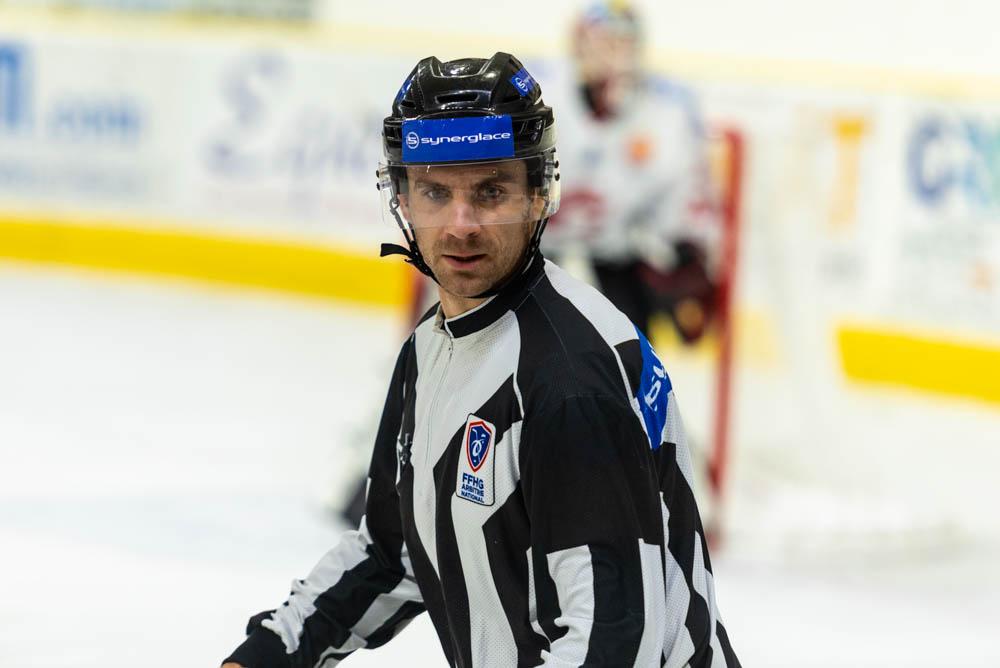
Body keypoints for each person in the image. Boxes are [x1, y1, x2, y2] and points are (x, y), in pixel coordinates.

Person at [222, 52, 739, 668]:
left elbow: (609, 643)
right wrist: (269, 651)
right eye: (435, 192)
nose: (460, 225)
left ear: (540, 194)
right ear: (402, 198)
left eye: (491, 192)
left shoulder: (570, 382)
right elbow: (393, 553)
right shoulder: (432, 347)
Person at [543, 0, 719, 344]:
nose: (617, 56)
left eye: (625, 43)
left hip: (617, 254)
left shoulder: (663, 111)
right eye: (606, 42)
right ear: (579, 45)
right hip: (541, 249)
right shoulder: (543, 94)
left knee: (632, 346)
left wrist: (682, 252)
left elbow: (680, 195)